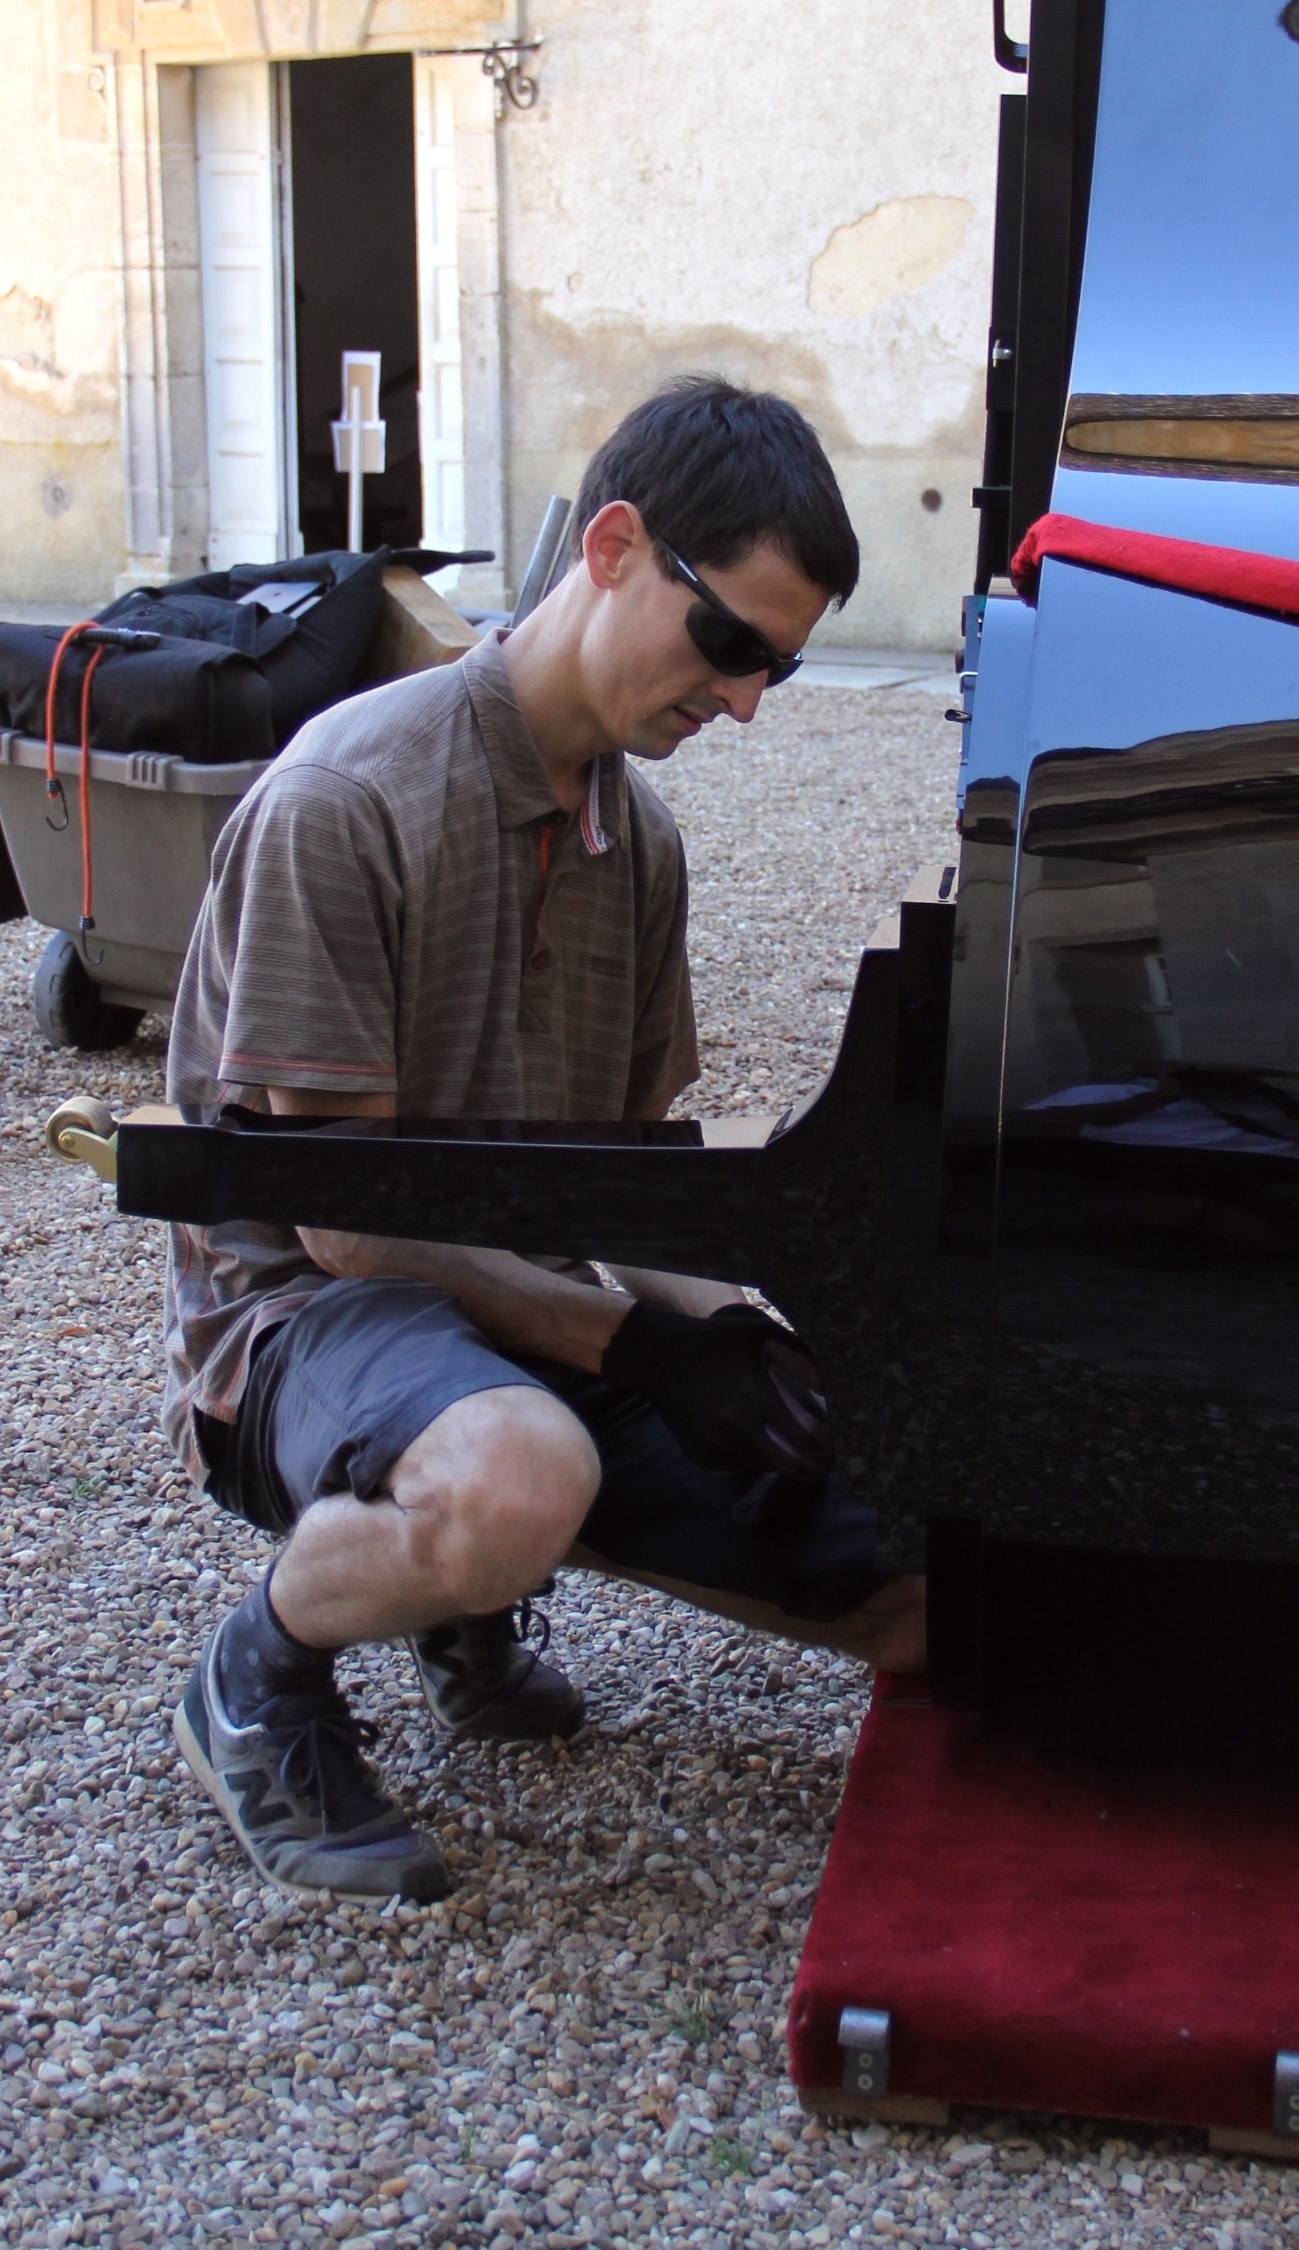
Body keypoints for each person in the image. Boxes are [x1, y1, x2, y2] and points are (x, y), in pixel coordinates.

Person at [162, 377, 925, 1902]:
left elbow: (628, 1184)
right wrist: (640, 1352)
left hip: (527, 1325)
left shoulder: (636, 841)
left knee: (906, 1579)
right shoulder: (345, 796)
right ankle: (261, 1672)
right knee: (519, 1473)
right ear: (616, 543)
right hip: (310, 1324)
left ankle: (468, 1588)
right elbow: (346, 1226)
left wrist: (759, 1339)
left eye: (778, 668)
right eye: (729, 645)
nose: (747, 702)